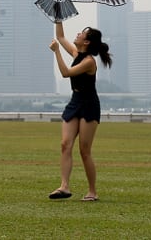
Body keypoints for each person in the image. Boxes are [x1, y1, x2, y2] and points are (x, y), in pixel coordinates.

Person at [47, 21, 111, 202]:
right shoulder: (77, 53)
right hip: (75, 101)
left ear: (87, 42)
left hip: (89, 103)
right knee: (65, 144)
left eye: (83, 33)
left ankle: (92, 191)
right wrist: (58, 14)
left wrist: (57, 51)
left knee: (84, 150)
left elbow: (66, 73)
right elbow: (60, 36)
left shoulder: (89, 62)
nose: (78, 34)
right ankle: (64, 187)